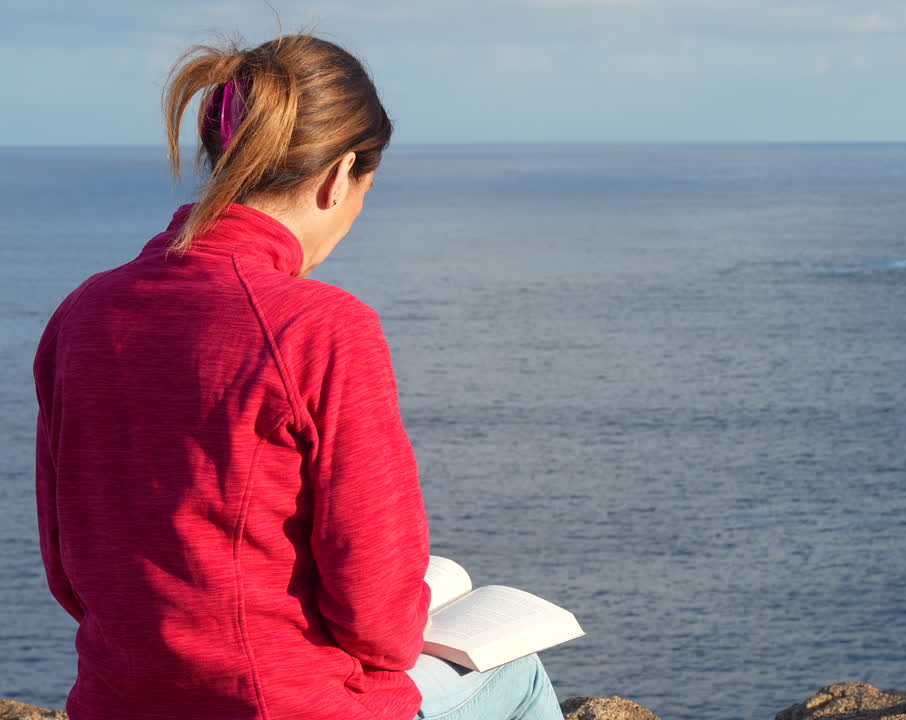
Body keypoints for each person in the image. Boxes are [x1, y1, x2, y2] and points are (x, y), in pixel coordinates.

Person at [32, 32, 563, 720]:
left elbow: (68, 574)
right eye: (363, 191)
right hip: (282, 706)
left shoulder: (80, 315)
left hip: (119, 701)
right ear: (340, 175)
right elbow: (377, 621)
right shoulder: (321, 329)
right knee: (516, 674)